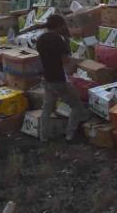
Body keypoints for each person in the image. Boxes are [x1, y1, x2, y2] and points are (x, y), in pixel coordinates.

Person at [37, 14, 88, 142]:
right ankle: (69, 135)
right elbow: (65, 61)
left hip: (46, 79)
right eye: (63, 25)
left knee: (46, 109)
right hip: (59, 80)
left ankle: (43, 137)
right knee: (76, 106)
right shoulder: (59, 40)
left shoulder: (40, 39)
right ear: (59, 26)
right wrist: (77, 61)